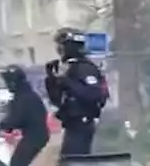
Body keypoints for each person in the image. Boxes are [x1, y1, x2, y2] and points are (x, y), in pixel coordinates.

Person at [45, 28, 107, 157]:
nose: (59, 50)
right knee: (68, 163)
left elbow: (93, 94)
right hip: (71, 123)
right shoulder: (69, 67)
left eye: (61, 46)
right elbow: (57, 100)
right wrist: (51, 79)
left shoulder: (84, 68)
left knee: (73, 162)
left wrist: (67, 82)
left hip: (83, 122)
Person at [0, 64, 49, 166]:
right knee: (19, 163)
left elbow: (16, 119)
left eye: (8, 81)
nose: (7, 85)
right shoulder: (26, 95)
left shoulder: (24, 97)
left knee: (17, 164)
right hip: (36, 133)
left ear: (14, 81)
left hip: (36, 135)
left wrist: (3, 125)